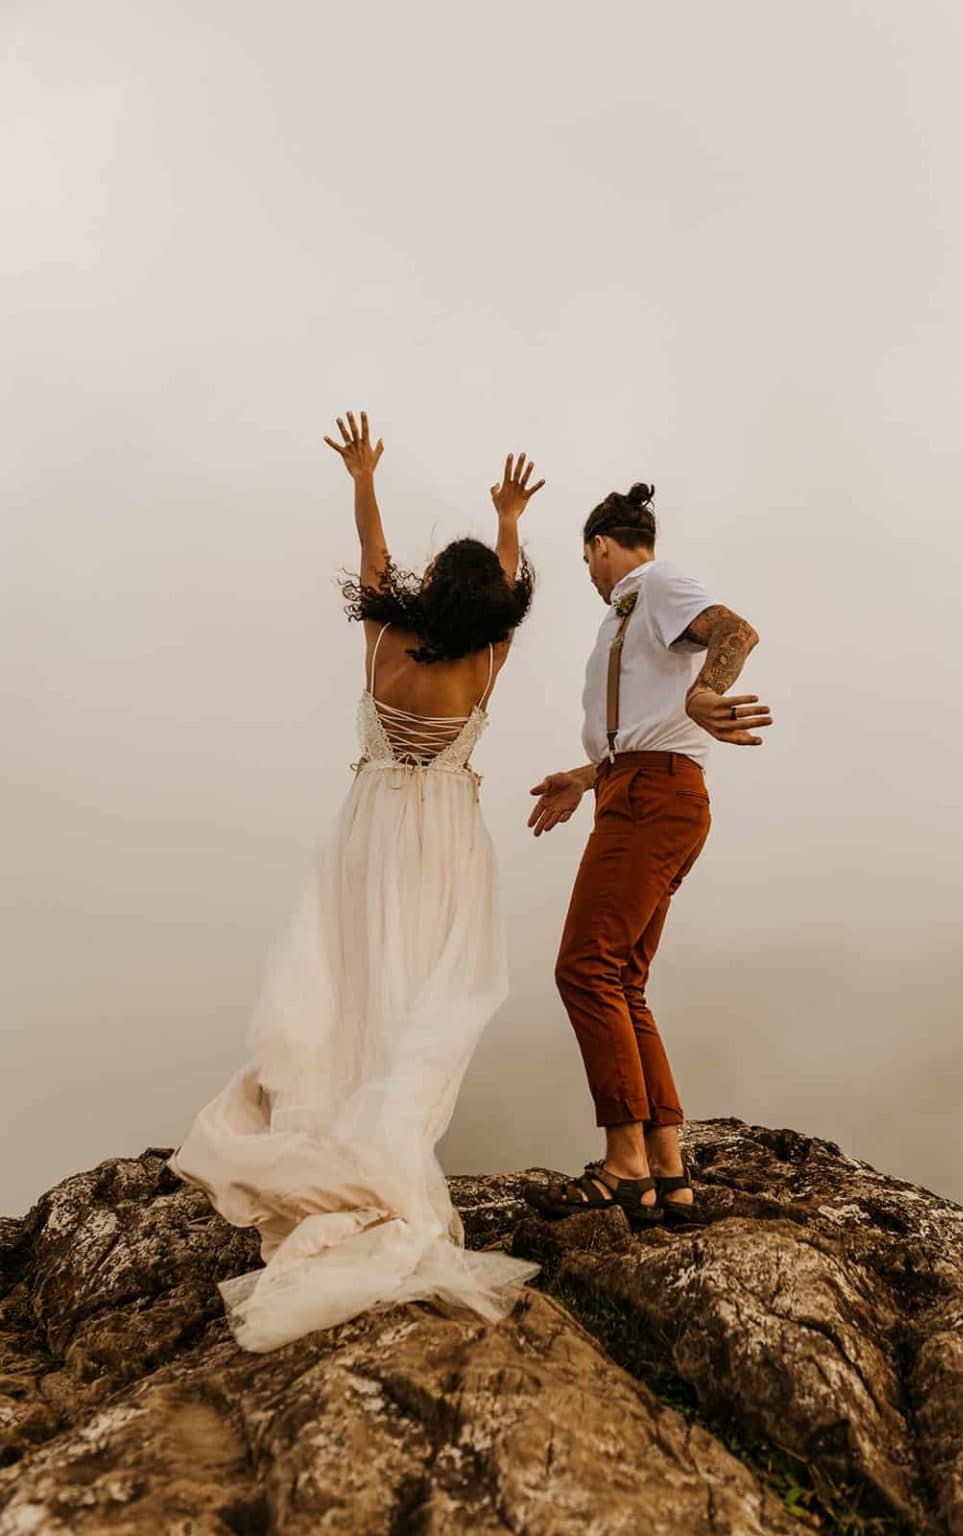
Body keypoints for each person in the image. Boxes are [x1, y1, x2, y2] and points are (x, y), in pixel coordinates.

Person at [167, 411, 544, 1352]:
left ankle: (338, 1134)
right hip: (444, 837)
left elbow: (372, 552)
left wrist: (364, 476)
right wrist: (510, 519)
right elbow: (506, 592)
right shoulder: (488, 660)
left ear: (428, 588)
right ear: (488, 608)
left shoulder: (382, 637)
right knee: (423, 998)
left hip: (369, 829)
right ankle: (390, 1146)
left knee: (349, 984)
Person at [525, 482, 772, 1228]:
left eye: (587, 561)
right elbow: (642, 721)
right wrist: (586, 775)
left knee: (585, 967)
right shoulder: (630, 608)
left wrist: (705, 695)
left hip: (651, 797)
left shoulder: (657, 584)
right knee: (624, 980)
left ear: (600, 546)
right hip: (639, 788)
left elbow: (735, 633)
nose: (590, 575)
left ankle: (625, 1166)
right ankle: (668, 1171)